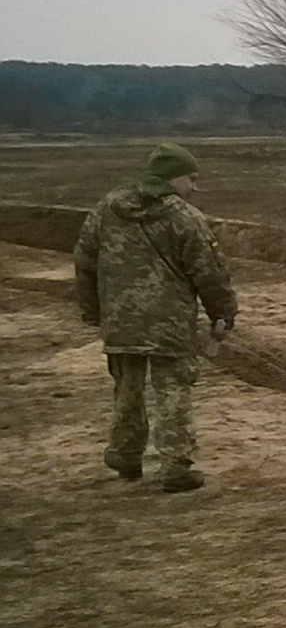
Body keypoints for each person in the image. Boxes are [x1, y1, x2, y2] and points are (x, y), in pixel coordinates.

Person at [72, 142, 238, 493]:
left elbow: (85, 260)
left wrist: (92, 310)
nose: (194, 187)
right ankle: (176, 467)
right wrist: (223, 314)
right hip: (170, 322)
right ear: (171, 178)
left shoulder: (107, 208)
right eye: (191, 179)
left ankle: (125, 456)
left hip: (120, 320)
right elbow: (209, 273)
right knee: (173, 389)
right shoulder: (185, 218)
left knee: (127, 389)